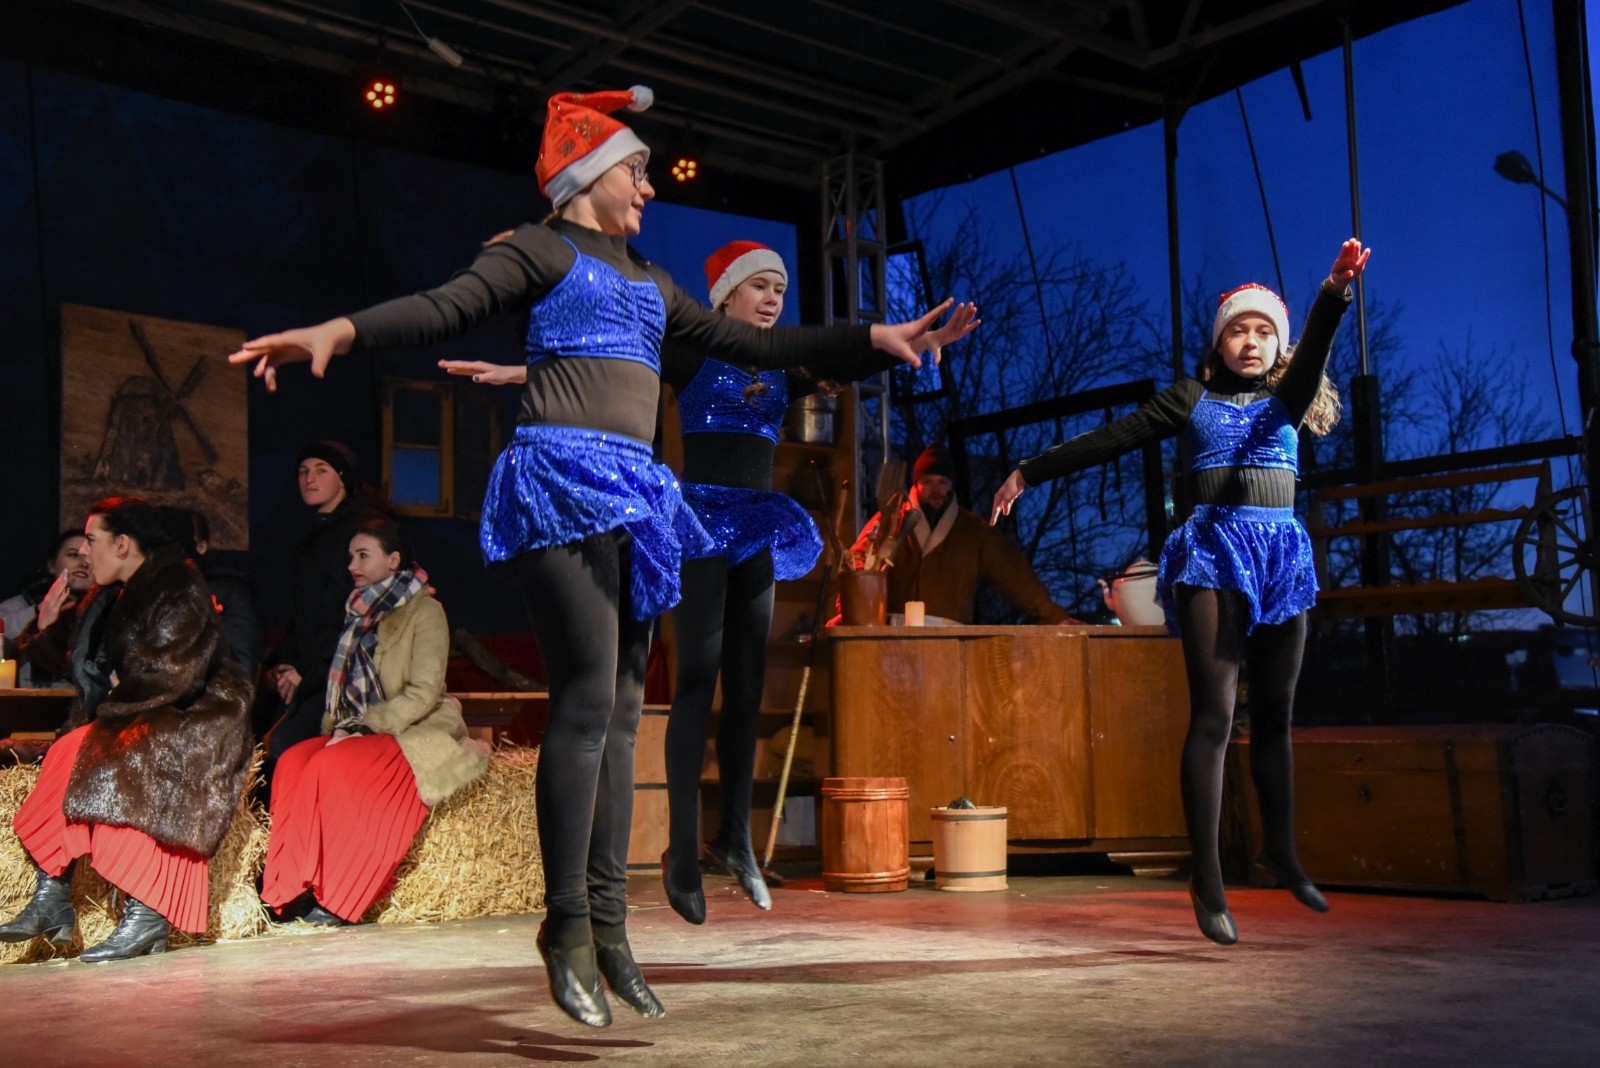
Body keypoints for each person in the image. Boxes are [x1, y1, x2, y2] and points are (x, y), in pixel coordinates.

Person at [228, 85, 976, 1028]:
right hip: (558, 482)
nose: (650, 188)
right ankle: (568, 926)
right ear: (588, 176)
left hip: (635, 495)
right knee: (587, 702)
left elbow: (757, 343)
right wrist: (338, 330)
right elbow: (444, 306)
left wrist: (877, 337)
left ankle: (613, 927)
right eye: (637, 171)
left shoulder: (654, 283)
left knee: (623, 713)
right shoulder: (541, 250)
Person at [992, 238, 1371, 945]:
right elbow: (1116, 435)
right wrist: (1030, 470)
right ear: (1219, 342)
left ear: (1277, 346)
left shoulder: (1286, 398)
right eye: (1238, 330)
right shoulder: (1191, 399)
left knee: (1276, 715)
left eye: (1263, 332)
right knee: (1215, 716)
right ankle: (1208, 876)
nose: (1250, 341)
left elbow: (1318, 347)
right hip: (1211, 555)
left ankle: (1281, 850)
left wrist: (1334, 292)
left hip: (1279, 557)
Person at [0, 497, 254, 961]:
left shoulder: (176, 585)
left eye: (91, 541)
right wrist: (47, 630)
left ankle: (147, 912)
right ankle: (51, 895)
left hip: (194, 717)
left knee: (116, 758)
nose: (83, 553)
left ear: (122, 544)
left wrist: (113, 710)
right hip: (143, 712)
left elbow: (175, 673)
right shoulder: (108, 594)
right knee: (67, 752)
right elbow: (89, 665)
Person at [260, 515, 488, 927]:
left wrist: (369, 725)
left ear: (393, 559)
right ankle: (291, 887)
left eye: (363, 555)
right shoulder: (357, 612)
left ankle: (338, 893)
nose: (353, 565)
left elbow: (423, 693)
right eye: (350, 556)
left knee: (330, 765)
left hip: (409, 728)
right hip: (355, 726)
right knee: (292, 762)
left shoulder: (426, 611)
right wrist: (348, 726)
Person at [261, 442, 392, 768]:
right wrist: (283, 663)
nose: (309, 478)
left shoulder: (362, 532)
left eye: (321, 471)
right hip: (312, 669)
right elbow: (304, 612)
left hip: (346, 676)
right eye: (303, 471)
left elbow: (356, 615)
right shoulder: (314, 533)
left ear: (343, 479)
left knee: (283, 745)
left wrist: (308, 672)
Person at [850, 444, 1072, 625]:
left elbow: (1014, 574)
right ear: (916, 485)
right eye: (928, 482)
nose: (936, 489)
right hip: (893, 635)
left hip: (950, 640)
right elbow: (856, 563)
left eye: (942, 482)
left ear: (951, 485)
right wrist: (851, 612)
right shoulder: (890, 521)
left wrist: (1055, 617)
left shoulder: (974, 531)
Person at [1, 530, 92, 687]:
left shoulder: (102, 611)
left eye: (89, 557)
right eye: (73, 555)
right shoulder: (20, 605)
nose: (83, 564)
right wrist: (40, 611)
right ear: (52, 565)